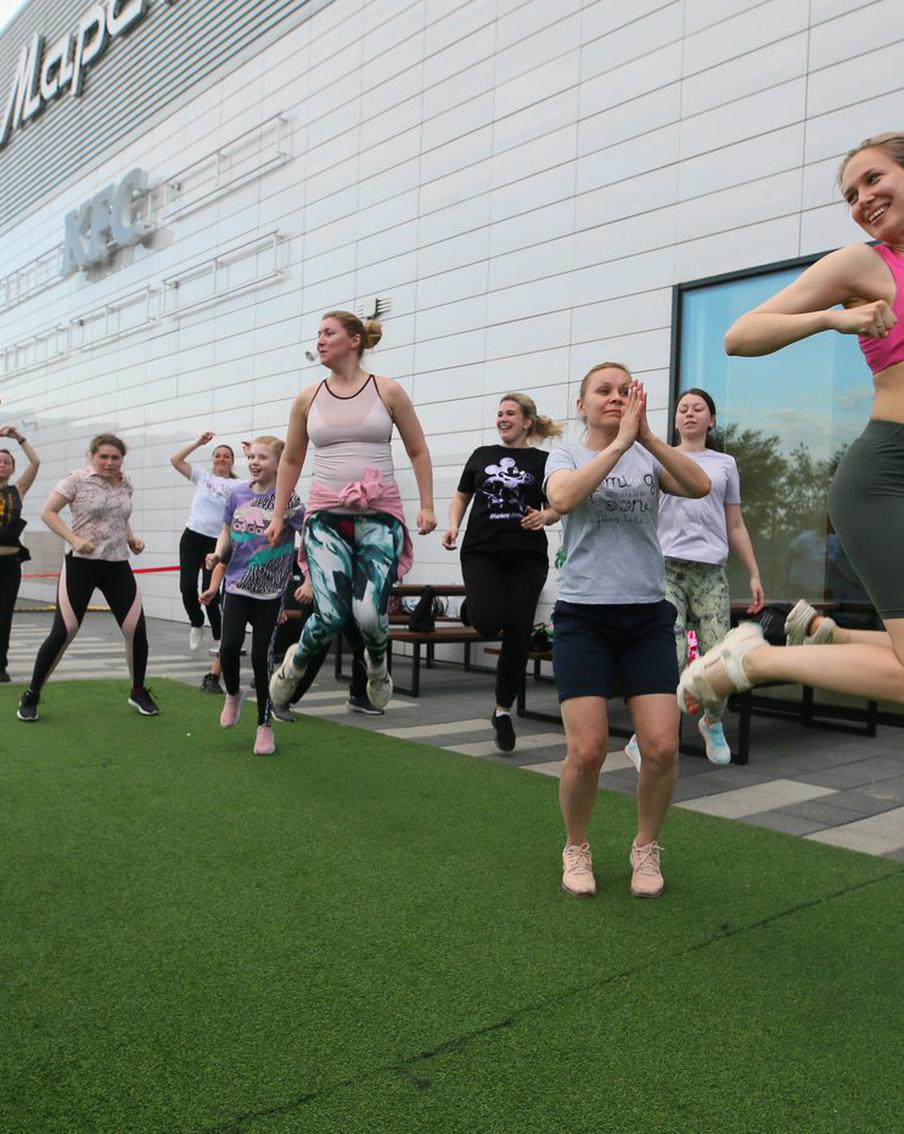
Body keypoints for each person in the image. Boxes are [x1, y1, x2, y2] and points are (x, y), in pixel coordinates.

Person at [679, 131, 904, 719]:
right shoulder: (864, 264)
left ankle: (826, 636)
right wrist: (833, 319)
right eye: (851, 194)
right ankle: (755, 660)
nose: (863, 199)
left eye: (873, 179)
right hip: (888, 475)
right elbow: (740, 336)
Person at [544, 363, 710, 899]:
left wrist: (650, 440)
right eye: (603, 391)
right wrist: (619, 445)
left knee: (661, 747)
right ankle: (576, 845)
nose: (615, 398)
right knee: (587, 750)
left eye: (624, 391)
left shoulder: (648, 456)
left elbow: (699, 485)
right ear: (582, 404)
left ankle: (645, 846)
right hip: (583, 616)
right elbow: (563, 499)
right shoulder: (565, 456)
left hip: (645, 616)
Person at [267, 310, 435, 713]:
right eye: (318, 333)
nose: (320, 340)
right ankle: (294, 664)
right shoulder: (308, 398)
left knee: (369, 616)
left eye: (329, 333)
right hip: (327, 517)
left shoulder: (388, 391)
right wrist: (277, 514)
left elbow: (418, 450)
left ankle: (376, 665)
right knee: (330, 615)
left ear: (355, 340)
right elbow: (291, 458)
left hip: (380, 515)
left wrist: (428, 505)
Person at [625, 388, 763, 767]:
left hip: (710, 573)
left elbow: (735, 524)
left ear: (711, 419)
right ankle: (645, 735)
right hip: (665, 569)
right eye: (683, 408)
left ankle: (711, 721)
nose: (689, 413)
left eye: (698, 408)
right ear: (674, 419)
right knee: (668, 656)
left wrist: (754, 573)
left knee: (720, 656)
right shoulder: (657, 458)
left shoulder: (725, 464)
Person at [441, 393, 561, 752]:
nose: (502, 419)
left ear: (527, 421)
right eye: (499, 413)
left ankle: (503, 710)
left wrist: (546, 516)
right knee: (488, 621)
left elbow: (559, 504)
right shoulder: (482, 455)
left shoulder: (544, 461)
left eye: (510, 413)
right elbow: (462, 495)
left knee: (519, 633)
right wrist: (453, 525)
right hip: (482, 552)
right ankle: (475, 607)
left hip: (527, 557)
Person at [16, 433, 158, 722]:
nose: (109, 462)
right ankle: (32, 694)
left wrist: (132, 539)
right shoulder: (76, 479)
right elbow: (48, 512)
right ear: (93, 456)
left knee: (136, 629)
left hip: (117, 564)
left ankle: (138, 690)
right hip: (80, 564)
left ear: (122, 459)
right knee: (65, 630)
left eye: (115, 457)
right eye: (103, 457)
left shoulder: (125, 482)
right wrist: (74, 539)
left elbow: (121, 517)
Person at [206, 436, 304, 755]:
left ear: (279, 463)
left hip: (270, 593)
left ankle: (264, 725)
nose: (254, 462)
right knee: (229, 647)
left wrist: (309, 576)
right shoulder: (238, 493)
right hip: (236, 585)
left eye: (262, 457)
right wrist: (218, 554)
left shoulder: (288, 500)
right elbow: (226, 530)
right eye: (252, 457)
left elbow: (310, 533)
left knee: (261, 658)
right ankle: (233, 693)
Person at [170, 431, 237, 692]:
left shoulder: (238, 485)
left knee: (211, 593)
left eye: (226, 456)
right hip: (192, 537)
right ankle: (196, 622)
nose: (221, 459)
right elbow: (175, 460)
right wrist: (198, 442)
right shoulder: (202, 477)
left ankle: (220, 640)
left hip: (217, 542)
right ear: (213, 459)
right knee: (187, 587)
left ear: (232, 461)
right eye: (218, 455)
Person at [268, 571, 382, 722]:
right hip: (322, 583)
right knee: (315, 647)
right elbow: (311, 555)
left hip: (351, 587)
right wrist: (309, 582)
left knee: (364, 642)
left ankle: (359, 695)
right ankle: (280, 699)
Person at [0, 425, 40, 682]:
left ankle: (0, 665)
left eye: (6, 462)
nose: (2, 465)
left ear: (12, 468)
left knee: (4, 615)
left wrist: (19, 438)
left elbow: (35, 463)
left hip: (10, 563)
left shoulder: (18, 491)